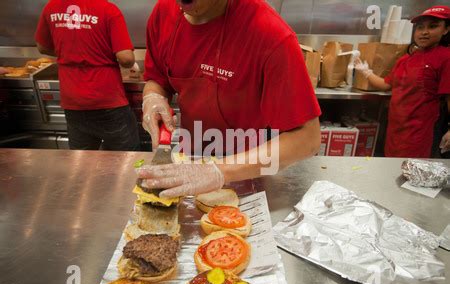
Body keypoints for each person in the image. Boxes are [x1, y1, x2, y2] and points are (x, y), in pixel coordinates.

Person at [138, 0, 322, 199]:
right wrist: (152, 97)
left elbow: (308, 139)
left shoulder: (270, 34)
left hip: (248, 168)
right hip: (189, 160)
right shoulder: (164, 13)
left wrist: (218, 171)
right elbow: (157, 78)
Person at [35, 0, 141, 151]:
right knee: (126, 157)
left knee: (83, 161)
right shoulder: (108, 10)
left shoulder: (51, 7)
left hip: (72, 100)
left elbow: (42, 47)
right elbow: (126, 58)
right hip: (106, 100)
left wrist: (69, 53)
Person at [355, 5, 450, 158]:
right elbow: (386, 84)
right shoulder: (407, 58)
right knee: (391, 166)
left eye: (433, 26)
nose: (424, 32)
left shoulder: (445, 57)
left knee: (411, 170)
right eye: (420, 27)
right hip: (395, 128)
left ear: (446, 30)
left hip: (419, 130)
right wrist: (366, 71)